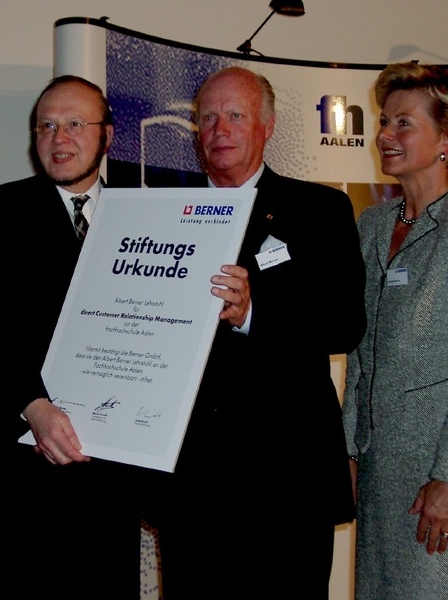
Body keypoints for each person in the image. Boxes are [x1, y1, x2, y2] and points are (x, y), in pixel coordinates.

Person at [145, 67, 367, 598]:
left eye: (236, 116)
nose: (220, 130)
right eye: (208, 118)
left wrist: (254, 313)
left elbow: (345, 321)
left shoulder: (321, 210)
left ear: (267, 126)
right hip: (192, 487)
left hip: (287, 484)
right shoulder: (158, 214)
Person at [0, 75, 148, 600]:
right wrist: (28, 403)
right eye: (47, 126)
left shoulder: (147, 213)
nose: (60, 138)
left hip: (114, 476)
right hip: (25, 471)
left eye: (76, 124)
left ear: (108, 135)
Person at [343, 62, 448, 599]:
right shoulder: (373, 224)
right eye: (384, 121)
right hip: (380, 473)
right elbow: (361, 352)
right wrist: (350, 452)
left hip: (440, 474)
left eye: (403, 123)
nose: (384, 134)